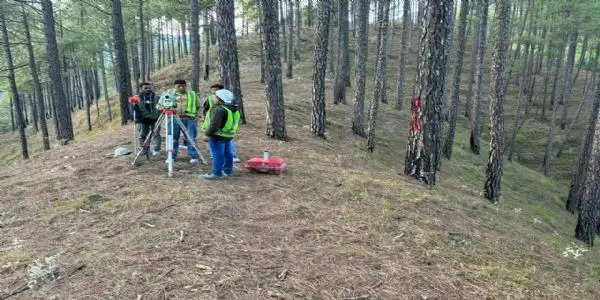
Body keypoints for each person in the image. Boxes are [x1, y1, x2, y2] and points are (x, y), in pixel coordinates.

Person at [157, 79, 202, 164]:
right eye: (179, 86)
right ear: (174, 86)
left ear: (186, 86)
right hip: (173, 118)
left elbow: (199, 106)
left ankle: (194, 156)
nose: (181, 88)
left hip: (189, 119)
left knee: (191, 137)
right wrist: (163, 109)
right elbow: (159, 105)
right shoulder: (168, 94)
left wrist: (197, 116)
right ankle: (172, 156)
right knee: (173, 138)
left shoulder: (192, 94)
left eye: (183, 86)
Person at [201, 89, 240, 180]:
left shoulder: (219, 109)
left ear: (219, 99)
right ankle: (228, 171)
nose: (214, 98)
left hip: (218, 136)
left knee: (217, 154)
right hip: (228, 135)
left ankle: (217, 174)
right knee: (228, 153)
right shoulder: (234, 109)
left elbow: (214, 125)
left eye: (216, 97)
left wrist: (207, 134)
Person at [134, 82, 161, 156]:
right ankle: (144, 150)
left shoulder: (156, 97)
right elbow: (134, 109)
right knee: (143, 135)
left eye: (149, 87)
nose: (148, 89)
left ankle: (157, 149)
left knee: (156, 133)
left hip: (155, 118)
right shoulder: (137, 98)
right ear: (141, 89)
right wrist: (136, 118)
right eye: (145, 88)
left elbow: (160, 106)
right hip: (143, 119)